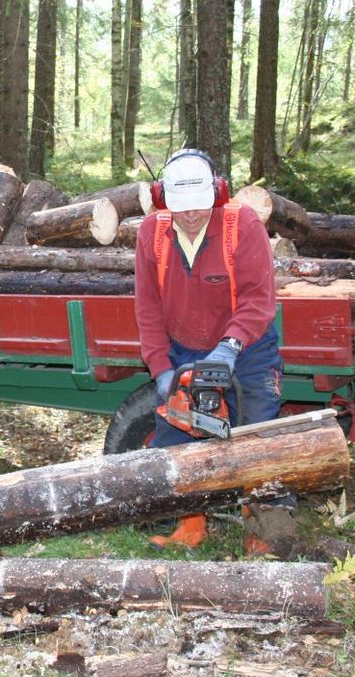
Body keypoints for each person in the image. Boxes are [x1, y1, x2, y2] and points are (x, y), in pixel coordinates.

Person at [133, 148, 292, 556]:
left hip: (248, 350)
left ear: (218, 193)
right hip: (183, 347)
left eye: (199, 206)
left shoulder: (243, 226)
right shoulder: (151, 233)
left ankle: (266, 532)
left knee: (259, 437)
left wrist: (229, 346)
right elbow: (147, 307)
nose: (190, 216)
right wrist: (161, 367)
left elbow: (259, 299)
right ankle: (190, 524)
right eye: (181, 208)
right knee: (176, 436)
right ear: (163, 197)